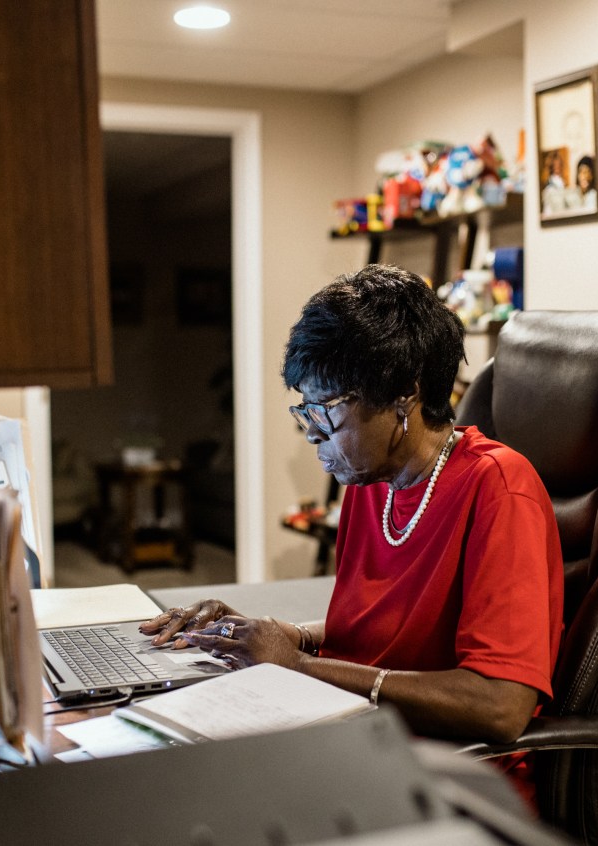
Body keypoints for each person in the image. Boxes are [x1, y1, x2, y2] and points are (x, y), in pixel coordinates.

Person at [140, 264, 564, 793]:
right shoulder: (372, 481)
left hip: (448, 778)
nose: (313, 434)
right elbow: (377, 632)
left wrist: (295, 665)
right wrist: (270, 635)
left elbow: (499, 706)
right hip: (355, 738)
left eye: (326, 412)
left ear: (402, 396)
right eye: (306, 412)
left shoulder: (500, 488)